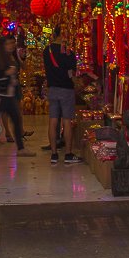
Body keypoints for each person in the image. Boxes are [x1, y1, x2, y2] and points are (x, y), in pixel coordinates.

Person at [43, 30, 80, 165]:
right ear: (62, 35)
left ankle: (54, 154)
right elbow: (72, 71)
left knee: (53, 121)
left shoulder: (47, 51)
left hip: (52, 89)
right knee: (66, 121)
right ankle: (68, 154)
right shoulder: (69, 52)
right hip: (66, 90)